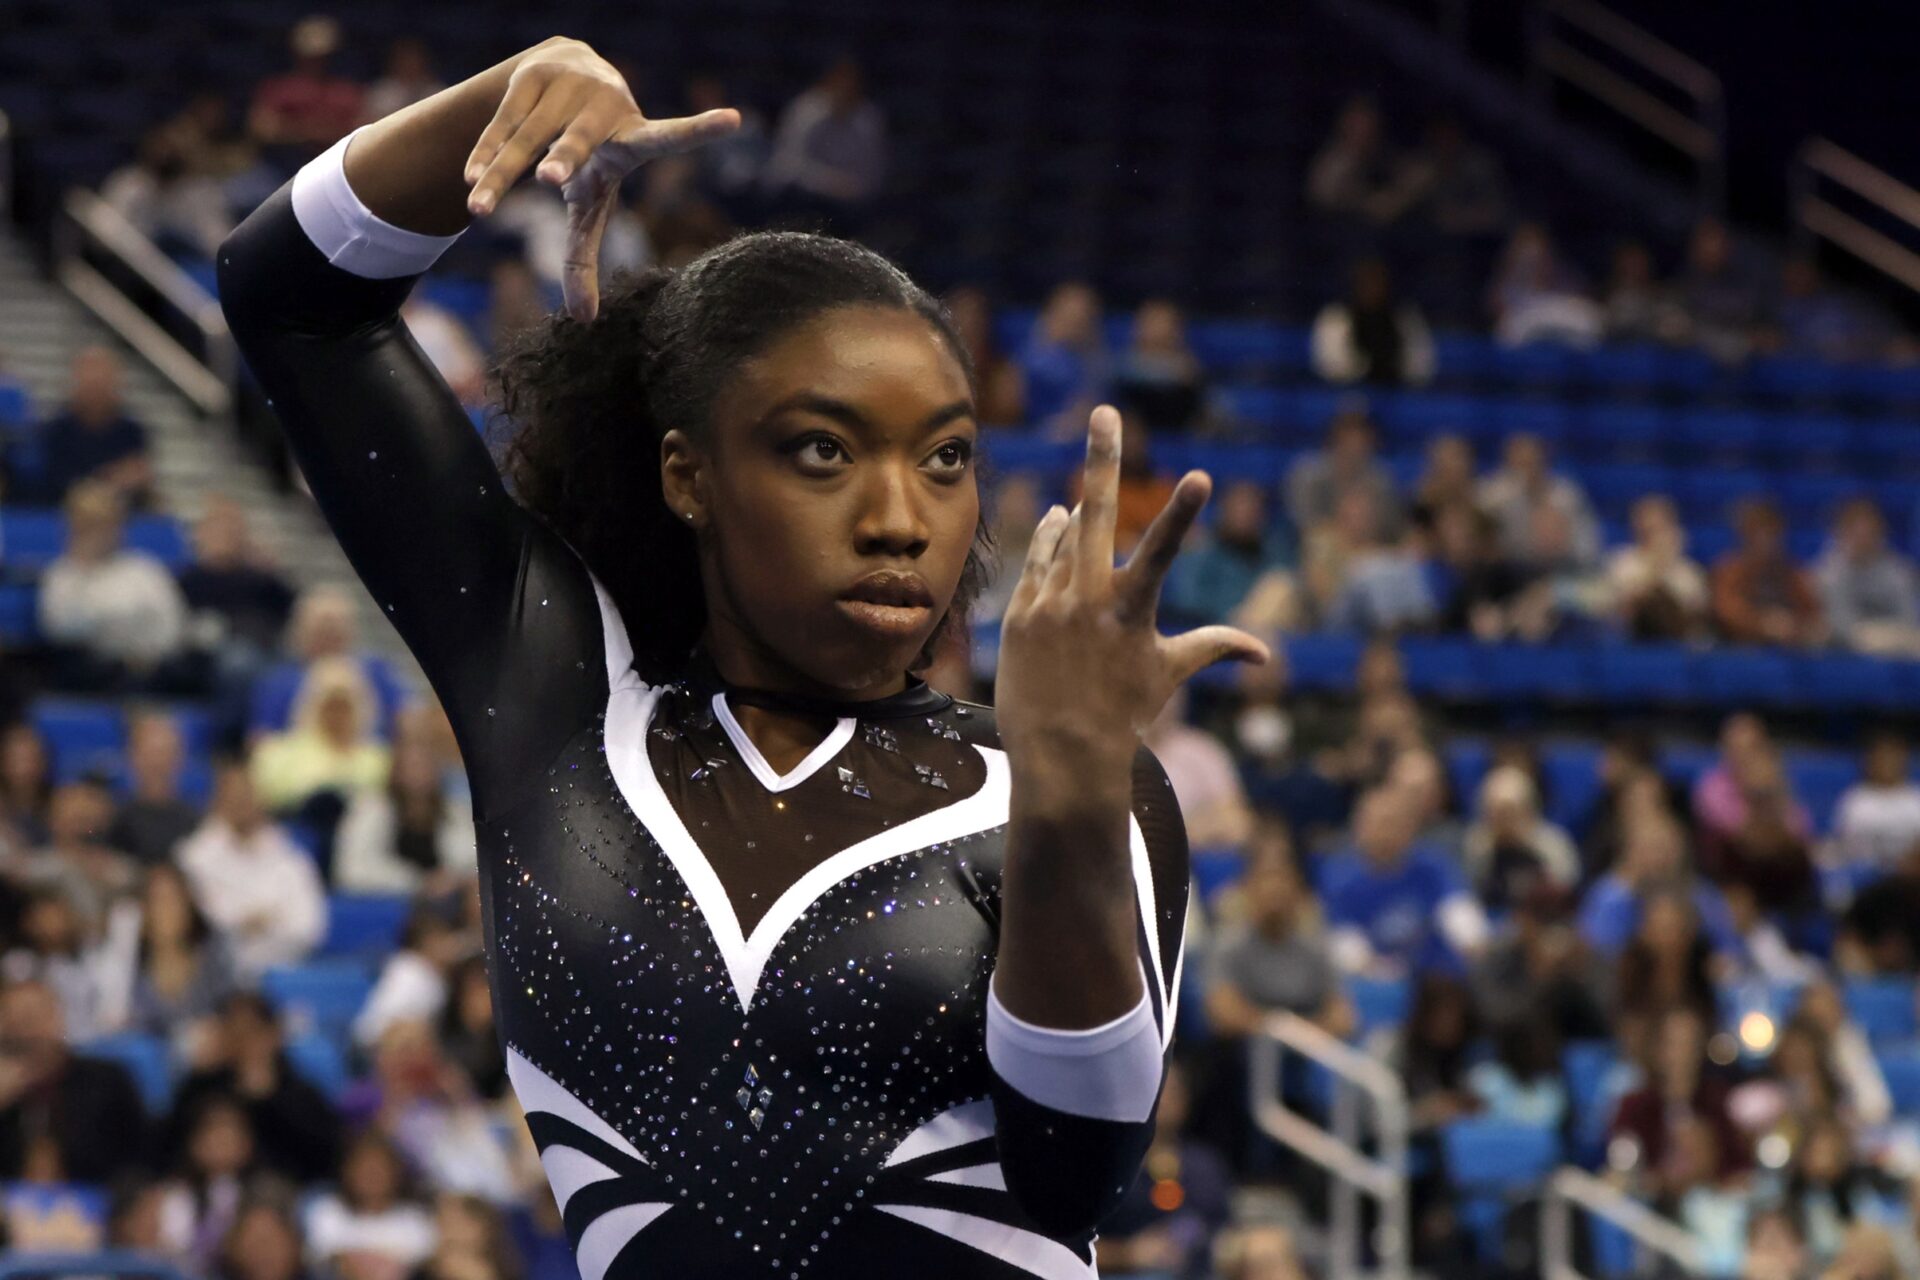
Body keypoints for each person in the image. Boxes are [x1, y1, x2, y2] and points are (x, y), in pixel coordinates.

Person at [218, 33, 1269, 1277]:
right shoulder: (561, 698)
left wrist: (1073, 793)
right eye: (823, 450)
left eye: (944, 457)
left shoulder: (1058, 784)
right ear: (689, 476)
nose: (899, 517)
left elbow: (1079, 1169)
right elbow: (289, 297)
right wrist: (500, 109)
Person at [38, 481, 200, 696]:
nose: (100, 534)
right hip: (93, 672)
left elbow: (172, 621)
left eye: (107, 525)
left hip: (154, 666)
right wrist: (84, 571)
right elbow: (59, 630)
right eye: (90, 526)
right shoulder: (62, 575)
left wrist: (147, 655)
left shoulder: (144, 569)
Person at [166, 992, 340, 1185]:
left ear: (273, 1035)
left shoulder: (298, 1092)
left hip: (279, 1194)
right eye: (234, 1032)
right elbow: (168, 1149)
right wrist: (196, 1075)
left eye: (252, 1031)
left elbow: (324, 1158)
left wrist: (269, 1098)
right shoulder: (204, 1087)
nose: (244, 1042)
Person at [175, 760, 326, 979]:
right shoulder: (193, 859)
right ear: (216, 800)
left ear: (262, 798)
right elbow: (202, 925)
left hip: (284, 973)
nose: (240, 802)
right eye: (232, 794)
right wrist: (248, 922)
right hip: (215, 978)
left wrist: (261, 926)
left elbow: (309, 927)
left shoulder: (291, 860)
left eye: (247, 793)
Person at [1318, 785, 1488, 976]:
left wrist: (1472, 943)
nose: (1386, 833)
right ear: (1359, 828)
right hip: (1379, 983)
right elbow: (1346, 943)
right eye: (1379, 823)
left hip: (1438, 975)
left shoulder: (1432, 865)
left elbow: (1458, 911)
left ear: (1411, 827)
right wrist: (1379, 971)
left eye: (1395, 823)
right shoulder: (1340, 878)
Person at [0, 977, 148, 1183]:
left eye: (32, 1018)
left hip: (97, 1202)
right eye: (13, 1023)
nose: (25, 1032)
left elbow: (141, 1161)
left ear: (57, 1019)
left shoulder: (107, 1082)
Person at [248, 585, 408, 741]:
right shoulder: (279, 681)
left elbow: (408, 712)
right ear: (301, 631)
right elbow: (262, 737)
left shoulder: (375, 671)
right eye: (322, 628)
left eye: (336, 627)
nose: (329, 634)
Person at [248, 655, 393, 814]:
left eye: (344, 708)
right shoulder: (280, 753)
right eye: (331, 707)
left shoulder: (378, 757)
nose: (337, 716)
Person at [332, 736, 478, 894]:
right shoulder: (369, 810)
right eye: (411, 766)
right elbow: (350, 869)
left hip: (448, 898)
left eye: (425, 766)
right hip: (389, 900)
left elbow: (476, 862)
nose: (418, 774)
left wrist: (453, 879)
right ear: (395, 771)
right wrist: (418, 882)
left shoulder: (456, 813)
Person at [761, 55, 887, 231]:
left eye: (851, 81)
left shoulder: (868, 118)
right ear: (828, 80)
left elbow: (872, 174)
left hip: (849, 202)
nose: (845, 86)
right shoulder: (806, 110)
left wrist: (850, 188)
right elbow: (787, 165)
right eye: (840, 79)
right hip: (803, 197)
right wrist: (830, 183)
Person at [31, 346, 155, 508]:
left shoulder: (131, 431)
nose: (96, 386)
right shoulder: (55, 430)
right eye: (90, 379)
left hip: (118, 512)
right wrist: (109, 480)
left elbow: (138, 475)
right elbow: (53, 480)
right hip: (63, 511)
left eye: (102, 378)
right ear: (76, 380)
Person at [1460, 764, 1580, 911]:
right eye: (1495, 812)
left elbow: (1568, 894)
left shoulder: (1554, 844)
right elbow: (1465, 896)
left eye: (1509, 811)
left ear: (1528, 809)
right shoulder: (1475, 843)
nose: (1503, 820)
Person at [246, 14, 365, 160]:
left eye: (322, 55)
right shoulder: (278, 89)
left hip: (335, 163)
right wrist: (306, 132)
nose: (317, 61)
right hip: (283, 162)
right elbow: (261, 129)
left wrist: (324, 132)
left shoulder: (346, 92)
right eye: (311, 55)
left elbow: (363, 132)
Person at [1475, 433, 1601, 569]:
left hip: (1562, 568)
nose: (1525, 471)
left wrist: (1561, 547)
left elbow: (1588, 547)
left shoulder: (1566, 496)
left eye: (1529, 462)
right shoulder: (1498, 494)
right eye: (1518, 463)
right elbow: (1476, 524)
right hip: (1512, 571)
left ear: (1543, 461)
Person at [1711, 498, 1825, 647]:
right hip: (1742, 650)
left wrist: (1793, 625)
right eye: (1758, 534)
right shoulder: (1729, 570)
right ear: (1745, 536)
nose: (1765, 541)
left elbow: (1812, 612)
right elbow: (1726, 610)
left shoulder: (1791, 571)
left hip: (1789, 648)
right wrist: (1763, 624)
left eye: (1771, 534)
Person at [1818, 497, 1920, 657]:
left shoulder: (1898, 571)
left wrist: (1887, 636)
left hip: (1896, 638)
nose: (1863, 539)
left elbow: (1909, 618)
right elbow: (1841, 625)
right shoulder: (1830, 572)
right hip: (1849, 644)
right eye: (1856, 532)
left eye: (1869, 532)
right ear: (1842, 533)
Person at [1310, 258, 1437, 387]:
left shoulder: (1405, 319)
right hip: (1349, 393)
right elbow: (1330, 367)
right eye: (1366, 283)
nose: (1373, 289)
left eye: (1378, 282)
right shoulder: (1336, 318)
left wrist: (1391, 371)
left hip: (1399, 393)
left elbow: (1421, 367)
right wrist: (1367, 369)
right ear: (1355, 285)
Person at [1283, 403, 1400, 539]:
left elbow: (1390, 523)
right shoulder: (1308, 473)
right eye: (1349, 433)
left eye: (1362, 435)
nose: (1356, 443)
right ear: (1335, 436)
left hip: (1369, 545)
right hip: (1318, 543)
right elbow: (1303, 519)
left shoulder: (1381, 477)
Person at [1607, 494, 1710, 641]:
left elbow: (1697, 612)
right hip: (1632, 642)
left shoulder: (1689, 570)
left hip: (1680, 644)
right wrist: (1656, 566)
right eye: (1647, 524)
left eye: (1659, 525)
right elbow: (1621, 610)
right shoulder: (1622, 562)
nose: (1653, 530)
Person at [107, 712, 203, 867]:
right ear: (132, 757)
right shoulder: (112, 819)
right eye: (149, 754)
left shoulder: (197, 822)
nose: (157, 763)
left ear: (180, 758)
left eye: (164, 753)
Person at [1112, 299, 1207, 433]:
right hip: (1128, 437)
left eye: (1163, 322)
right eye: (1152, 321)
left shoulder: (1191, 372)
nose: (1157, 329)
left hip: (1180, 438)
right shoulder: (1119, 366)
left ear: (1177, 330)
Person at [1833, 732, 1920, 875]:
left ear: (1903, 760)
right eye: (1881, 758)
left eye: (1892, 757)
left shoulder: (1915, 799)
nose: (1886, 764)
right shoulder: (1855, 799)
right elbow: (1843, 844)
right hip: (1863, 874)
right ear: (1870, 762)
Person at [1305, 96, 1397, 218]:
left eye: (1369, 123)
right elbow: (1322, 195)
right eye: (1358, 124)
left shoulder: (1383, 156)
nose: (1364, 130)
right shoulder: (1335, 161)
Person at [360, 38, 445, 126]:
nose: (410, 64)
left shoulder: (436, 92)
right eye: (405, 59)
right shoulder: (382, 91)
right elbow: (367, 125)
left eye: (414, 60)